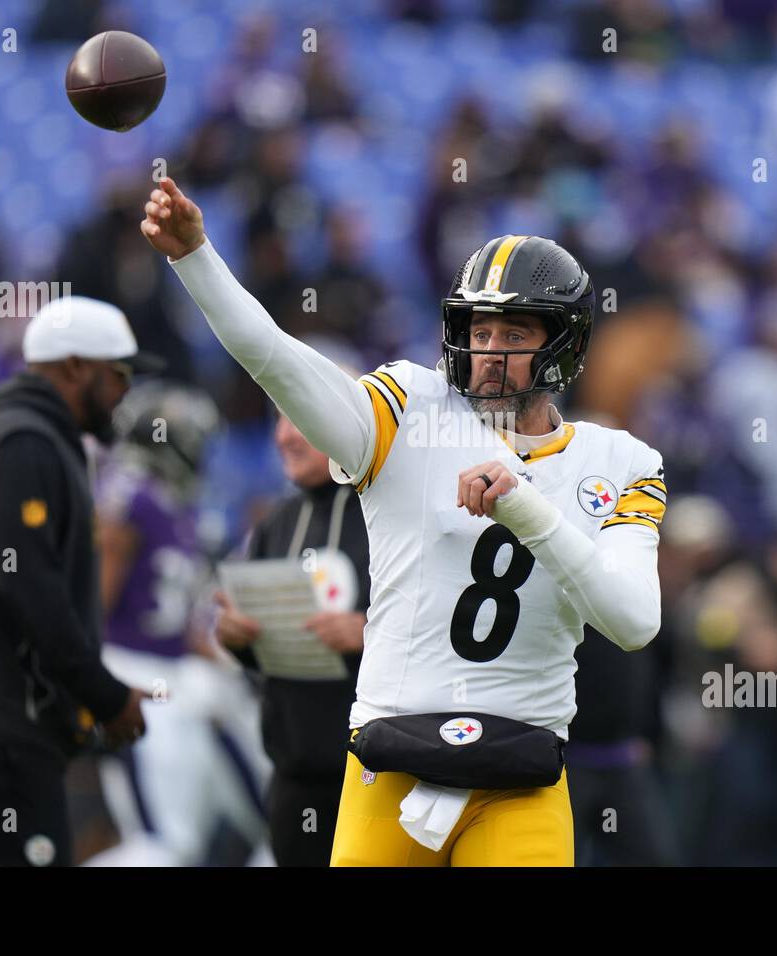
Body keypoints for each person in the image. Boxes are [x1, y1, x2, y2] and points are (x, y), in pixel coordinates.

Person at [142, 178, 665, 867]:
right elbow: (275, 359)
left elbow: (633, 621)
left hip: (522, 772)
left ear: (561, 343)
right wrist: (196, 258)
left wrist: (526, 507)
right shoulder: (408, 407)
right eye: (479, 330)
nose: (490, 350)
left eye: (514, 331)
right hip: (390, 758)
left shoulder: (620, 460)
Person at [0, 296, 162, 866]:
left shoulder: (30, 436)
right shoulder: (24, 442)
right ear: (73, 368)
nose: (125, 393)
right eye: (118, 374)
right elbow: (28, 588)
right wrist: (105, 694)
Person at [87, 380, 272, 866]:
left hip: (178, 677)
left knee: (267, 817)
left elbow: (176, 622)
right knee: (167, 845)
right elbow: (93, 604)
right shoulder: (128, 495)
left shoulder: (171, 504)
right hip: (134, 672)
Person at [214, 411, 370, 867]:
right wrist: (237, 639)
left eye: (299, 416)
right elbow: (258, 654)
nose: (284, 436)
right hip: (293, 773)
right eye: (278, 421)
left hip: (380, 777)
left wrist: (372, 633)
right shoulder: (275, 521)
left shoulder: (390, 518)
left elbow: (444, 629)